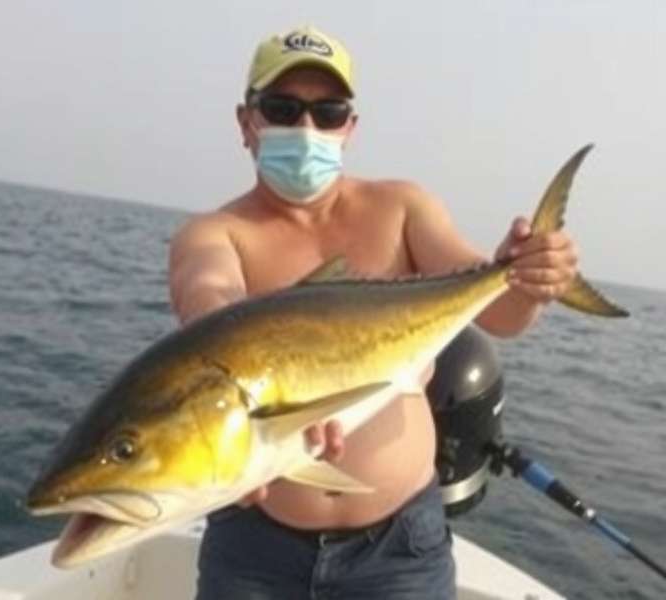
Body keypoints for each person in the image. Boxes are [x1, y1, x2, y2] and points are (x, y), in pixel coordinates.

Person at [168, 25, 578, 600]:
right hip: (254, 550)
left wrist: (531, 278)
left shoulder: (402, 208)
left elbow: (502, 315)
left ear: (350, 127)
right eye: (282, 108)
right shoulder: (216, 232)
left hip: (400, 550)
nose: (306, 128)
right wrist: (273, 387)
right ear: (246, 122)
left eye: (328, 112)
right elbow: (211, 301)